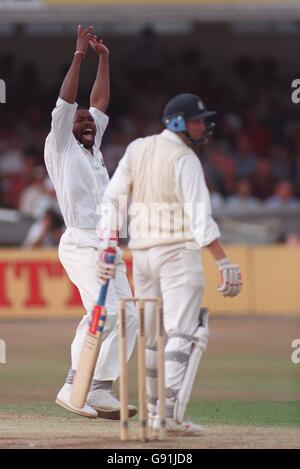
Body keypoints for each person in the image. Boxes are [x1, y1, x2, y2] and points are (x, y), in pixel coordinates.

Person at [98, 93, 242, 435]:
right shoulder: (185, 158)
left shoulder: (137, 148)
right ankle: (170, 414)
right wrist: (223, 262)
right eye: (196, 120)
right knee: (186, 331)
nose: (203, 126)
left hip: (143, 254)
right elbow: (199, 217)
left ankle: (153, 411)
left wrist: (107, 247)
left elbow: (112, 198)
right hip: (177, 253)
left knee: (152, 336)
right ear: (177, 121)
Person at [44, 25, 137, 420]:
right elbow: (69, 101)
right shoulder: (61, 145)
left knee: (129, 314)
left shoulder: (93, 148)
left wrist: (105, 58)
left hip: (107, 244)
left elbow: (99, 102)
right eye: (80, 118)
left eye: (90, 121)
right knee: (104, 311)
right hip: (81, 242)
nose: (87, 122)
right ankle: (74, 383)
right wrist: (80, 56)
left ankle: (98, 388)